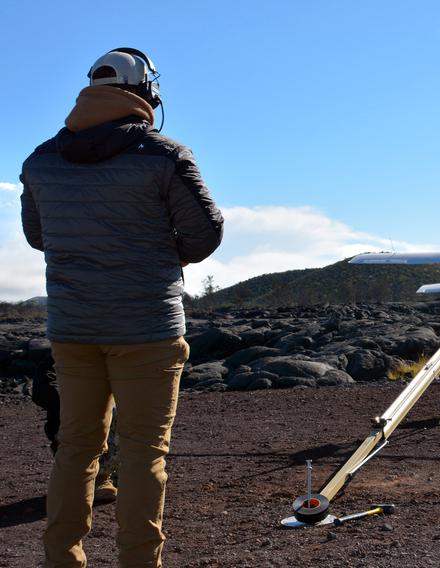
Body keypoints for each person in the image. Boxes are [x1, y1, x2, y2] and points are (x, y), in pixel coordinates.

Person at [20, 47, 223, 566]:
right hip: (147, 327)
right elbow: (205, 232)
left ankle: (61, 558)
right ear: (146, 92)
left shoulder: (40, 160)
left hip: (73, 327)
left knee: (76, 447)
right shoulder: (165, 155)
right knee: (143, 455)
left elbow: (38, 237)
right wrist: (157, 253)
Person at [31, 356, 119, 504]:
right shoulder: (70, 347)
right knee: (107, 411)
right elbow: (42, 389)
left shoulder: (118, 350)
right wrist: (77, 404)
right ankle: (95, 478)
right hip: (78, 423)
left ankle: (115, 473)